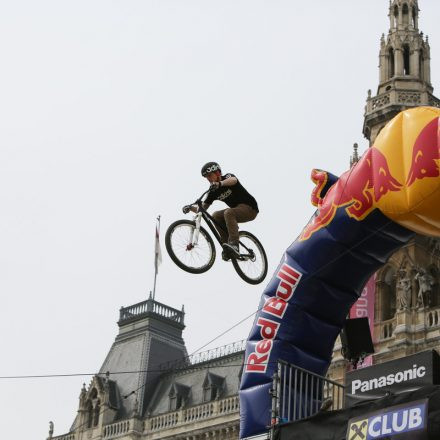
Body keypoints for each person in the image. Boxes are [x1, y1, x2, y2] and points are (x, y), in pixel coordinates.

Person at [200, 161, 259, 259]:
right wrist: (190, 208)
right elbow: (202, 208)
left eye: (210, 175)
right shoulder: (213, 191)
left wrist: (220, 184)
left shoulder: (227, 177)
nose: (209, 179)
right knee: (215, 216)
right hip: (236, 210)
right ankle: (227, 246)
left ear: (218, 173)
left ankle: (234, 244)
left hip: (250, 208)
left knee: (229, 212)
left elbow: (234, 180)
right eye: (207, 177)